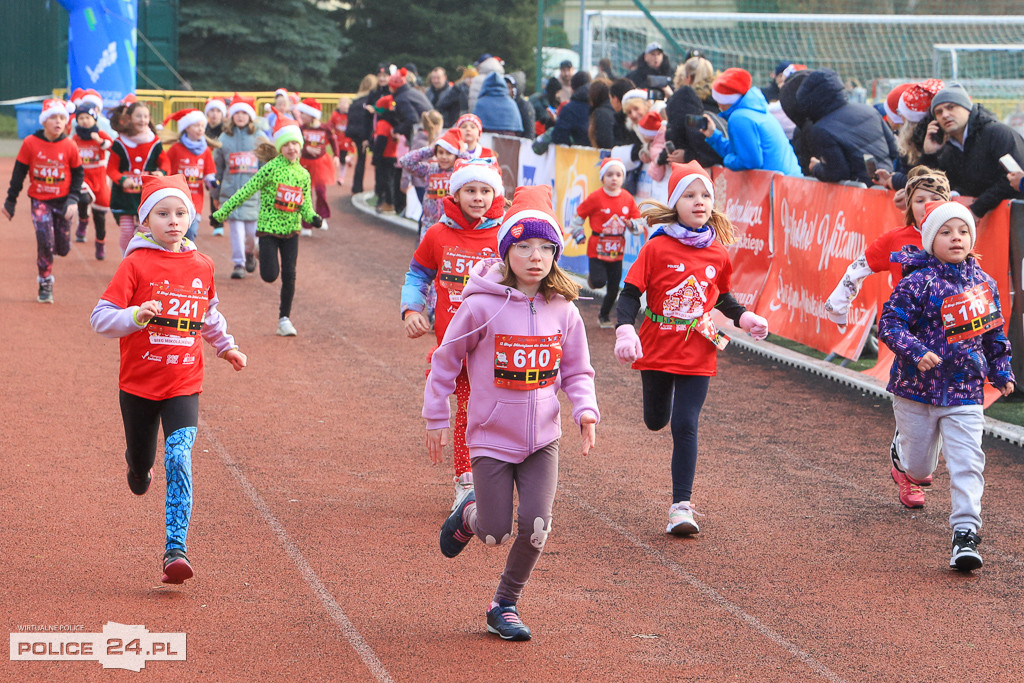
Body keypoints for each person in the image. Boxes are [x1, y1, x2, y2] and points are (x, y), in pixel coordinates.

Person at [426, 184, 599, 642]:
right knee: (494, 531)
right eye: (523, 246)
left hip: (543, 439)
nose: (536, 256)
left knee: (538, 527)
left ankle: (504, 603)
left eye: (546, 247)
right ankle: (469, 516)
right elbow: (445, 361)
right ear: (506, 251)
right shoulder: (480, 306)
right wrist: (435, 417)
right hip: (490, 437)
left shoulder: (563, 309)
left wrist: (586, 411)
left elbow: (577, 369)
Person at [90, 174, 245, 584]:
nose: (173, 221)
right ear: (146, 222)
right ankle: (138, 469)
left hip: (183, 382)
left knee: (179, 455)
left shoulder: (203, 265)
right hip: (138, 384)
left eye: (180, 213)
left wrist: (225, 346)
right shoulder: (135, 263)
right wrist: (134, 316)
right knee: (142, 466)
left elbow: (207, 315)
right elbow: (100, 319)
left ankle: (175, 549)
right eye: (162, 213)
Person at [613, 161, 769, 535]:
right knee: (656, 420)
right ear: (674, 202)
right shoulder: (657, 247)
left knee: (686, 424)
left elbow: (723, 298)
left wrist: (745, 319)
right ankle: (657, 408)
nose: (699, 202)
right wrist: (624, 330)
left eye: (705, 196)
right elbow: (630, 293)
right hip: (655, 346)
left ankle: (680, 508)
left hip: (699, 347)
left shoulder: (717, 253)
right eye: (690, 195)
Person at [878, 200, 1014, 571]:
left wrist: (1002, 372)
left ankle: (965, 535)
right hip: (915, 391)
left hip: (965, 392)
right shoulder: (917, 282)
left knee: (967, 462)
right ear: (928, 239)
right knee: (921, 469)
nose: (956, 238)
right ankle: (903, 457)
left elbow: (994, 336)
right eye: (946, 231)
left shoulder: (984, 283)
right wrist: (916, 351)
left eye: (963, 231)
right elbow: (890, 324)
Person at [402, 158, 506, 510]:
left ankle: (496, 474)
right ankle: (466, 482)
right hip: (454, 344)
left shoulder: (504, 236)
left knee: (495, 412)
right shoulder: (437, 234)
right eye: (470, 190)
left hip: (496, 343)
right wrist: (412, 309)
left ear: (495, 194)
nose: (478, 197)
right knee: (467, 407)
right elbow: (417, 274)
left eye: (485, 191)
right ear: (456, 194)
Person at [211, 114, 325, 337]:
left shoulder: (303, 174)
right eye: (287, 144)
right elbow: (245, 191)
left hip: (291, 230)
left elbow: (305, 205)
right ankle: (257, 250)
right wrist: (221, 212)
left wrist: (313, 218)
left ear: (300, 147)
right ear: (280, 147)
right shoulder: (270, 169)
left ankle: (284, 319)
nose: (292, 148)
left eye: (295, 144)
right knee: (270, 276)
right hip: (268, 230)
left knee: (290, 274)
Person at [2, 99, 84, 303]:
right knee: (44, 241)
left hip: (64, 201)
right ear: (44, 121)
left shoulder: (69, 145)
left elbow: (78, 174)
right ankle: (45, 282)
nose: (58, 122)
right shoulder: (30, 143)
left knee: (62, 248)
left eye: (62, 118)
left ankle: (57, 246)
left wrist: (74, 199)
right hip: (40, 201)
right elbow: (19, 173)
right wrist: (10, 201)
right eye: (53, 117)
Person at [920, 83, 1024, 218]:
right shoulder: (948, 148)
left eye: (951, 107)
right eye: (938, 112)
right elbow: (943, 184)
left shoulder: (997, 133)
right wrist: (929, 155)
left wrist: (977, 209)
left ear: (967, 108)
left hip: (1015, 222)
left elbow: (1013, 179)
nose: (945, 115)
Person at [569, 158, 645, 327]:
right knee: (598, 281)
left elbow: (639, 225)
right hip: (597, 248)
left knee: (614, 288)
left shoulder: (627, 198)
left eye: (618, 175)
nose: (614, 178)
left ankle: (603, 316)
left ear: (623, 178)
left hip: (617, 250)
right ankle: (592, 280)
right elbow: (578, 217)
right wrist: (578, 234)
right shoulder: (595, 197)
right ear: (603, 178)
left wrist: (632, 224)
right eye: (610, 175)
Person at [795, 68, 897, 185]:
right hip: (887, 188)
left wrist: (816, 167)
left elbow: (836, 172)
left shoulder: (821, 129)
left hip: (857, 195)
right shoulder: (869, 111)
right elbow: (894, 150)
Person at [701, 68, 803, 177]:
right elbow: (740, 150)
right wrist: (713, 135)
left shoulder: (739, 118)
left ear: (723, 100)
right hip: (790, 180)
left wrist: (727, 160)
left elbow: (750, 161)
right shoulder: (757, 111)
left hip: (775, 186)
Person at [107, 99, 171, 255]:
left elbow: (165, 163)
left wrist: (160, 173)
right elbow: (111, 169)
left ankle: (141, 259)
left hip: (146, 195)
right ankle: (126, 258)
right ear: (128, 118)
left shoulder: (154, 142)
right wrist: (122, 180)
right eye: (138, 116)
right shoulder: (120, 142)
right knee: (127, 231)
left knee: (145, 231)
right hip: (125, 197)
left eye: (145, 116)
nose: (142, 120)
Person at [214, 94, 267, 279]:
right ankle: (239, 264)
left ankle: (250, 253)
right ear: (232, 116)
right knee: (236, 231)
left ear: (250, 116)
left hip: (254, 195)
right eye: (237, 113)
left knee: (253, 233)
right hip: (231, 194)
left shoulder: (259, 137)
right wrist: (215, 192)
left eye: (245, 113)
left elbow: (266, 167)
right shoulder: (224, 138)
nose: (241, 117)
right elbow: (218, 167)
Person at [397, 126, 470, 236]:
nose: (444, 157)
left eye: (449, 153)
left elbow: (470, 167)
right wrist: (430, 149)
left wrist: (463, 154)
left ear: (456, 155)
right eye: (440, 152)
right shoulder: (430, 169)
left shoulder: (459, 172)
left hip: (453, 227)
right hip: (429, 226)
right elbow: (405, 161)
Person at [163, 109, 218, 243]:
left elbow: (209, 172)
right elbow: (166, 168)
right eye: (196, 126)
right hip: (177, 197)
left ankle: (187, 257)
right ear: (187, 127)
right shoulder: (176, 148)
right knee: (176, 232)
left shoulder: (205, 150)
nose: (200, 129)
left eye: (202, 126)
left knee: (191, 231)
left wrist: (211, 182)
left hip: (195, 199)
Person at [71, 102, 113, 260]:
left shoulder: (100, 134)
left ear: (94, 119)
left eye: (87, 117)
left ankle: (100, 243)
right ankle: (82, 221)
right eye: (80, 118)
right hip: (82, 175)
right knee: (82, 198)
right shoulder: (76, 137)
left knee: (100, 216)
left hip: (99, 176)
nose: (84, 121)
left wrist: (100, 141)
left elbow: (112, 147)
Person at [665, 56, 723, 169]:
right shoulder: (720, 102)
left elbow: (699, 143)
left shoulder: (687, 102)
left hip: (698, 171)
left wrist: (687, 156)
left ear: (688, 78)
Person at [295, 98, 339, 235]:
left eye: (304, 113)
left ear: (313, 115)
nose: (301, 116)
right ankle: (306, 224)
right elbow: (296, 145)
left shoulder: (324, 128)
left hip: (321, 163)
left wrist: (336, 155)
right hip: (305, 163)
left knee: (321, 190)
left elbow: (333, 140)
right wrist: (306, 150)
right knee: (306, 194)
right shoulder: (301, 129)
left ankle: (321, 217)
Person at [346, 75, 377, 195]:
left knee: (361, 160)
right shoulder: (368, 100)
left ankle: (357, 186)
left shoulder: (355, 100)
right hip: (366, 133)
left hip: (355, 133)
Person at [372, 95, 401, 215]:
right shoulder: (393, 122)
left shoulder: (383, 123)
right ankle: (389, 202)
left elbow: (381, 141)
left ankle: (388, 203)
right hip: (392, 155)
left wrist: (376, 157)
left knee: (384, 181)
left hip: (384, 156)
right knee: (390, 180)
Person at [473, 71, 523, 136]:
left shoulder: (481, 103)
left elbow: (474, 125)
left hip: (484, 140)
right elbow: (518, 130)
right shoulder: (511, 103)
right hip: (509, 141)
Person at [390, 68, 433, 141]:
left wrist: (397, 130)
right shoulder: (412, 92)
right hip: (430, 129)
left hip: (421, 134)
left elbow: (412, 119)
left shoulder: (401, 99)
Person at [550, 70, 592, 146]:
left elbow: (558, 137)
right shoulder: (600, 103)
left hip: (578, 154)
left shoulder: (569, 108)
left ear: (572, 89)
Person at [204, 98, 227, 235]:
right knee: (214, 192)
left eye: (218, 111)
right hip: (209, 166)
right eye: (212, 110)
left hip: (224, 165)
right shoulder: (203, 128)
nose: (214, 114)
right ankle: (218, 223)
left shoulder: (226, 130)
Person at [328, 96, 357, 188]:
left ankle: (341, 177)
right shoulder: (335, 114)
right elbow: (330, 124)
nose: (343, 105)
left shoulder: (351, 115)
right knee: (337, 156)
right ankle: (347, 160)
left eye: (345, 103)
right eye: (341, 103)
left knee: (343, 158)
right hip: (338, 139)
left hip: (347, 139)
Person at [504, 73, 535, 140]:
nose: (506, 91)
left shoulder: (525, 107)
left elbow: (530, 133)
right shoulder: (502, 104)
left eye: (509, 87)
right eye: (505, 87)